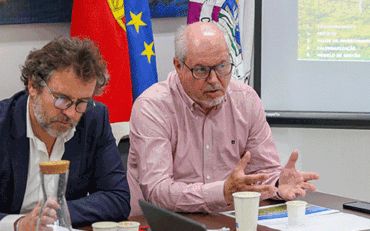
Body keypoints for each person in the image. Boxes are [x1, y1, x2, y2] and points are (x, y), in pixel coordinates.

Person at [0, 37, 130, 231]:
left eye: (81, 102)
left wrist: (57, 213)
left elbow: (117, 198)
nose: (71, 113)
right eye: (62, 99)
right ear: (33, 86)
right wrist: (18, 225)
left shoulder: (93, 119)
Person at [127, 22, 318, 215]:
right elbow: (157, 192)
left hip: (227, 222)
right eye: (201, 70)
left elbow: (261, 172)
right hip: (161, 228)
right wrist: (222, 193)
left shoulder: (246, 100)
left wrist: (278, 181)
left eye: (222, 66)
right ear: (178, 66)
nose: (214, 80)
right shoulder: (152, 107)